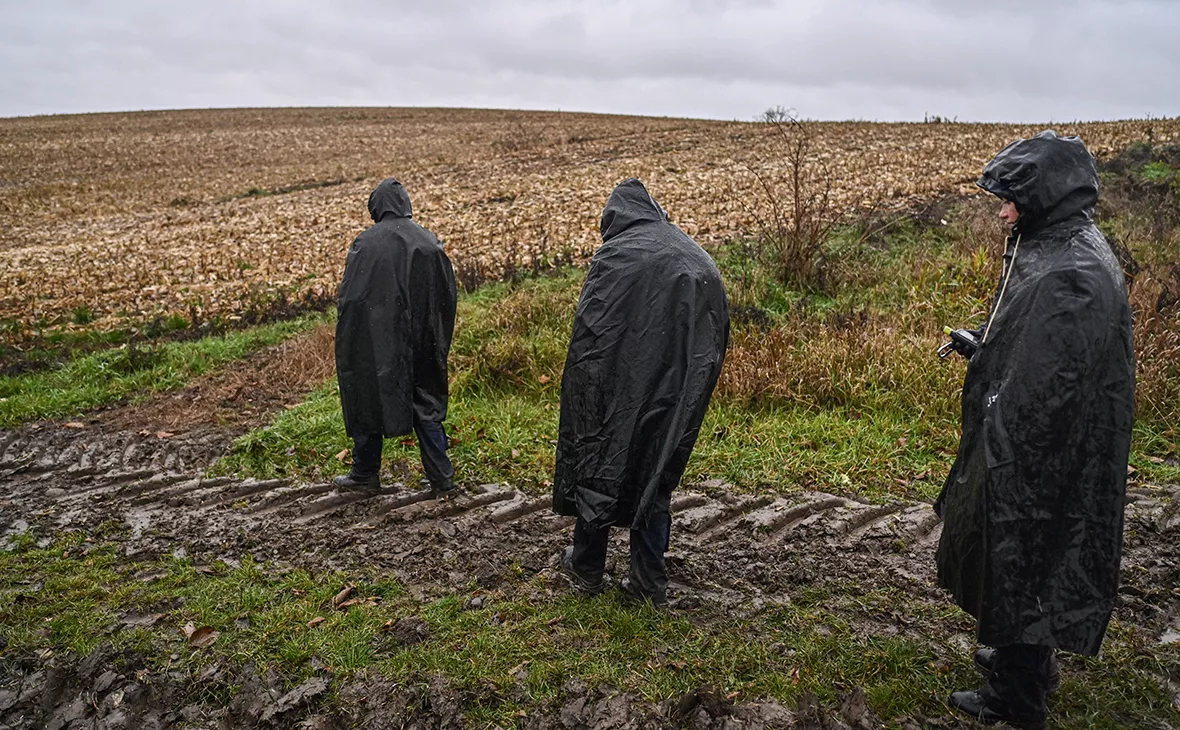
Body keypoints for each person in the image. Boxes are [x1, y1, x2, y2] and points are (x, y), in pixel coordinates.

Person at [934, 131, 1135, 729]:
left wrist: (1006, 441)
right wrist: (986, 348)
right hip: (1038, 443)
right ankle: (1025, 662)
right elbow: (1034, 341)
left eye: (1011, 199)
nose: (1002, 210)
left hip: (1040, 452)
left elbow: (1051, 384)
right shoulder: (1057, 247)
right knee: (1027, 556)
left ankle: (1015, 701)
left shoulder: (1071, 270)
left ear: (1042, 197)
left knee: (1024, 551)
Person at [552, 178, 730, 608]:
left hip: (618, 378)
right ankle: (648, 582)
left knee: (600, 455)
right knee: (657, 460)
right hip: (683, 375)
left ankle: (587, 566)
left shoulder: (616, 254)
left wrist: (585, 394)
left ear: (613, 219)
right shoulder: (689, 250)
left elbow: (592, 334)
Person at [333, 177, 458, 497]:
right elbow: (446, 295)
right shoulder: (429, 241)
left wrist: (354, 340)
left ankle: (365, 473)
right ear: (405, 204)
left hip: (375, 340)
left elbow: (351, 298)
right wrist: (437, 336)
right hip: (424, 338)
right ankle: (442, 479)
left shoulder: (366, 243)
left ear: (377, 207)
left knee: (368, 394)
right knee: (426, 400)